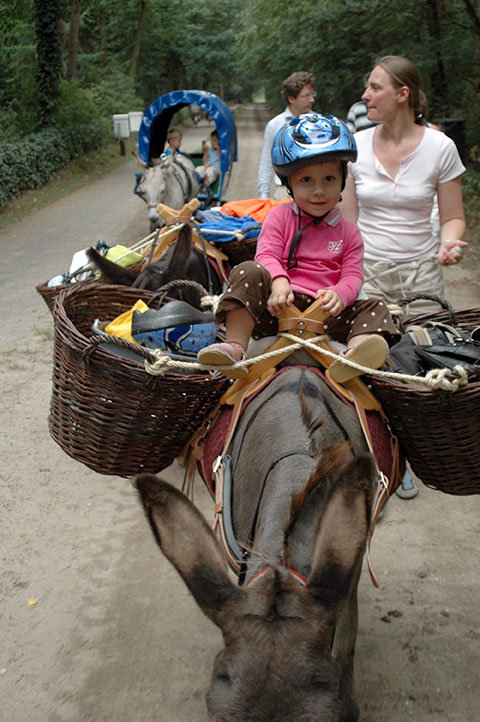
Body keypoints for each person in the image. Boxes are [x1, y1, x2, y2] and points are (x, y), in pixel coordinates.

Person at [340, 55, 468, 499]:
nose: (365, 95)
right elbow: (347, 223)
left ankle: (416, 450)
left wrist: (449, 242)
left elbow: (453, 217)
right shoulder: (354, 145)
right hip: (370, 272)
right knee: (372, 365)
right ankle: (385, 453)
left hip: (422, 274)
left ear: (402, 94)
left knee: (420, 368)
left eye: (374, 87)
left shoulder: (440, 147)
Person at [198, 113, 399, 381]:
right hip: (278, 307)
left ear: (342, 181)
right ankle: (235, 347)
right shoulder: (279, 217)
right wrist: (279, 281)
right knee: (248, 270)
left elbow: (353, 275)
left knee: (375, 306)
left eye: (329, 179)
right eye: (306, 180)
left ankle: (355, 354)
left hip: (327, 313)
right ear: (288, 183)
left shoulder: (349, 232)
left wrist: (340, 293)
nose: (319, 191)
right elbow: (267, 254)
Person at [257, 71, 316, 199]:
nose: (312, 99)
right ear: (291, 99)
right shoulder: (275, 125)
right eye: (306, 96)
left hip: (314, 189)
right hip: (285, 192)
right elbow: (267, 161)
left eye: (312, 94)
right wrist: (263, 195)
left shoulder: (319, 123)